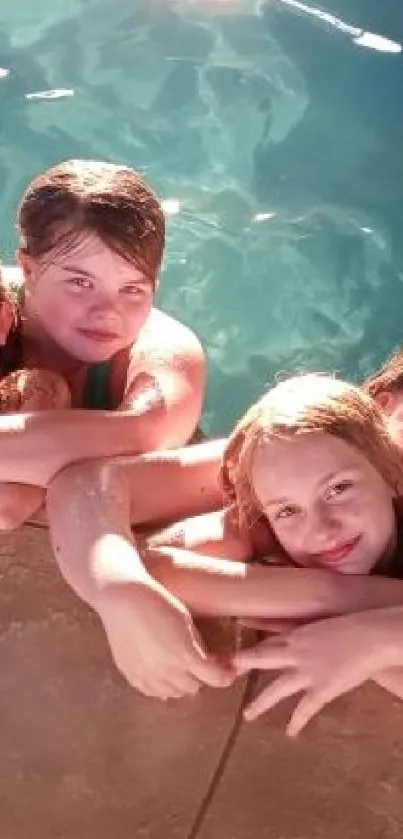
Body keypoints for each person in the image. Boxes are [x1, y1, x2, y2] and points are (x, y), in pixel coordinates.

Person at [0, 158, 232, 695]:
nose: (108, 313)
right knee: (43, 390)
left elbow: (142, 439)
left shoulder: (166, 352)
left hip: (137, 495)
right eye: (81, 282)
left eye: (134, 288)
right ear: (28, 270)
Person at [47, 372, 403, 704]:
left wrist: (377, 637)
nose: (323, 529)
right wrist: (120, 590)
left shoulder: (356, 464)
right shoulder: (295, 447)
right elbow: (98, 497)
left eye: (339, 489)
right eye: (286, 511)